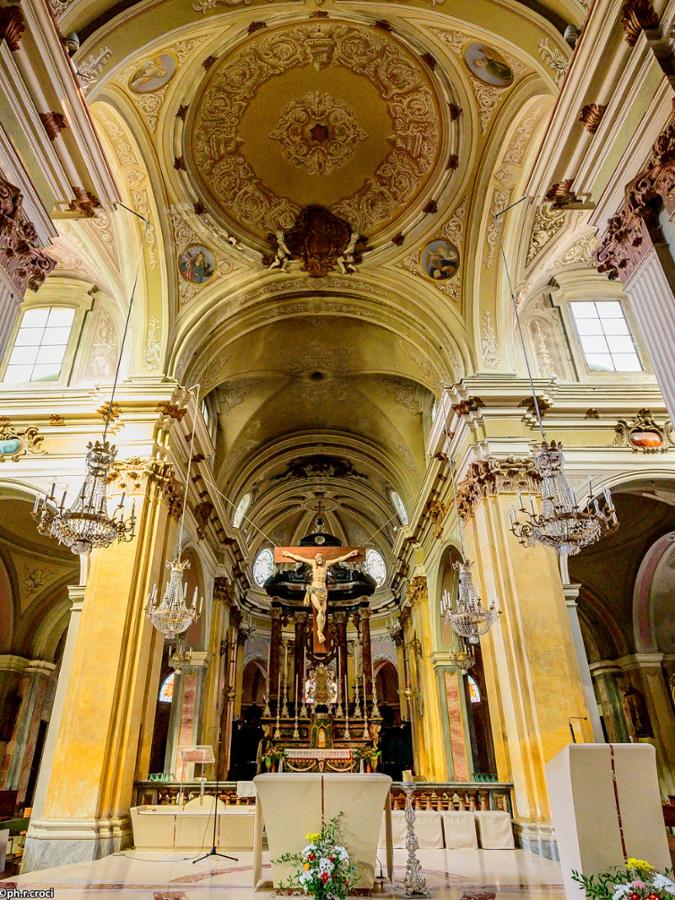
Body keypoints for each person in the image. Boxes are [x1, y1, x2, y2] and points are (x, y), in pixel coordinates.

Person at [281, 548, 358, 643]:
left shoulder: (327, 564)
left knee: (322, 613)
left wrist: (350, 554)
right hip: (314, 590)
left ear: (322, 559)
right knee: (320, 610)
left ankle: (320, 631)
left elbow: (340, 559)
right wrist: (288, 554)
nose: (318, 560)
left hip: (324, 592)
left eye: (320, 559)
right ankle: (319, 633)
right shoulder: (313, 563)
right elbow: (299, 558)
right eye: (317, 559)